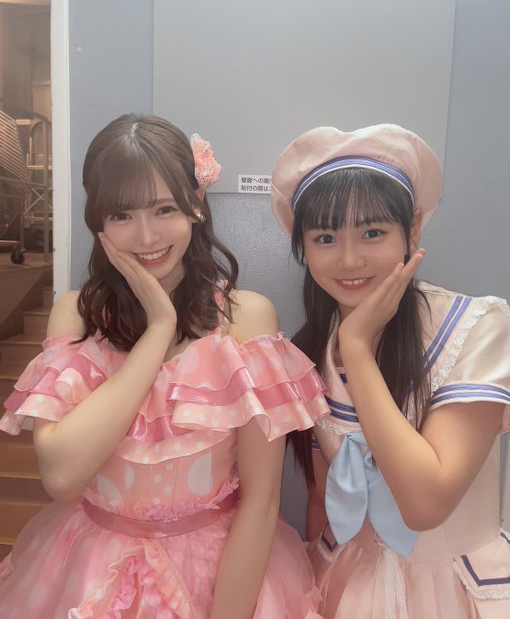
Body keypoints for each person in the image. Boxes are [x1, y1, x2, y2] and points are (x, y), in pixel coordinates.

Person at [0, 114, 328, 618]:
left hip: (219, 571)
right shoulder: (76, 316)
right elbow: (62, 478)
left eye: (164, 208)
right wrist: (158, 330)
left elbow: (262, 501)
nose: (146, 235)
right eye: (122, 214)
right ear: (98, 221)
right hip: (91, 568)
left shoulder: (246, 320)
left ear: (196, 204)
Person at [271, 123, 510, 619]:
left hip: (454, 588)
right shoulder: (307, 350)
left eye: (373, 232)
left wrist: (357, 349)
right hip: (345, 579)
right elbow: (322, 495)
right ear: (304, 248)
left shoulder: (475, 328)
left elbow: (425, 505)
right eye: (325, 237)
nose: (349, 258)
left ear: (413, 229)